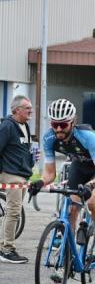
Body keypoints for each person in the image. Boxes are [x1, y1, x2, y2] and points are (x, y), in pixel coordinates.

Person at [29, 99, 95, 259]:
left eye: (63, 125)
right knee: (72, 208)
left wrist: (91, 185)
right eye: (55, 125)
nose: (59, 129)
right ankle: (68, 251)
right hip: (80, 164)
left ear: (72, 122)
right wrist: (39, 182)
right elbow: (50, 174)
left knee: (92, 200)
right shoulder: (49, 139)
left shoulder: (87, 136)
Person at [0, 95, 35, 263]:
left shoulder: (24, 126)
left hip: (22, 174)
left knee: (15, 212)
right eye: (27, 108)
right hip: (11, 174)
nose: (31, 111)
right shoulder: (7, 126)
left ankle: (4, 245)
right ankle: (7, 250)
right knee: (13, 212)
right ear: (17, 110)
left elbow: (21, 150)